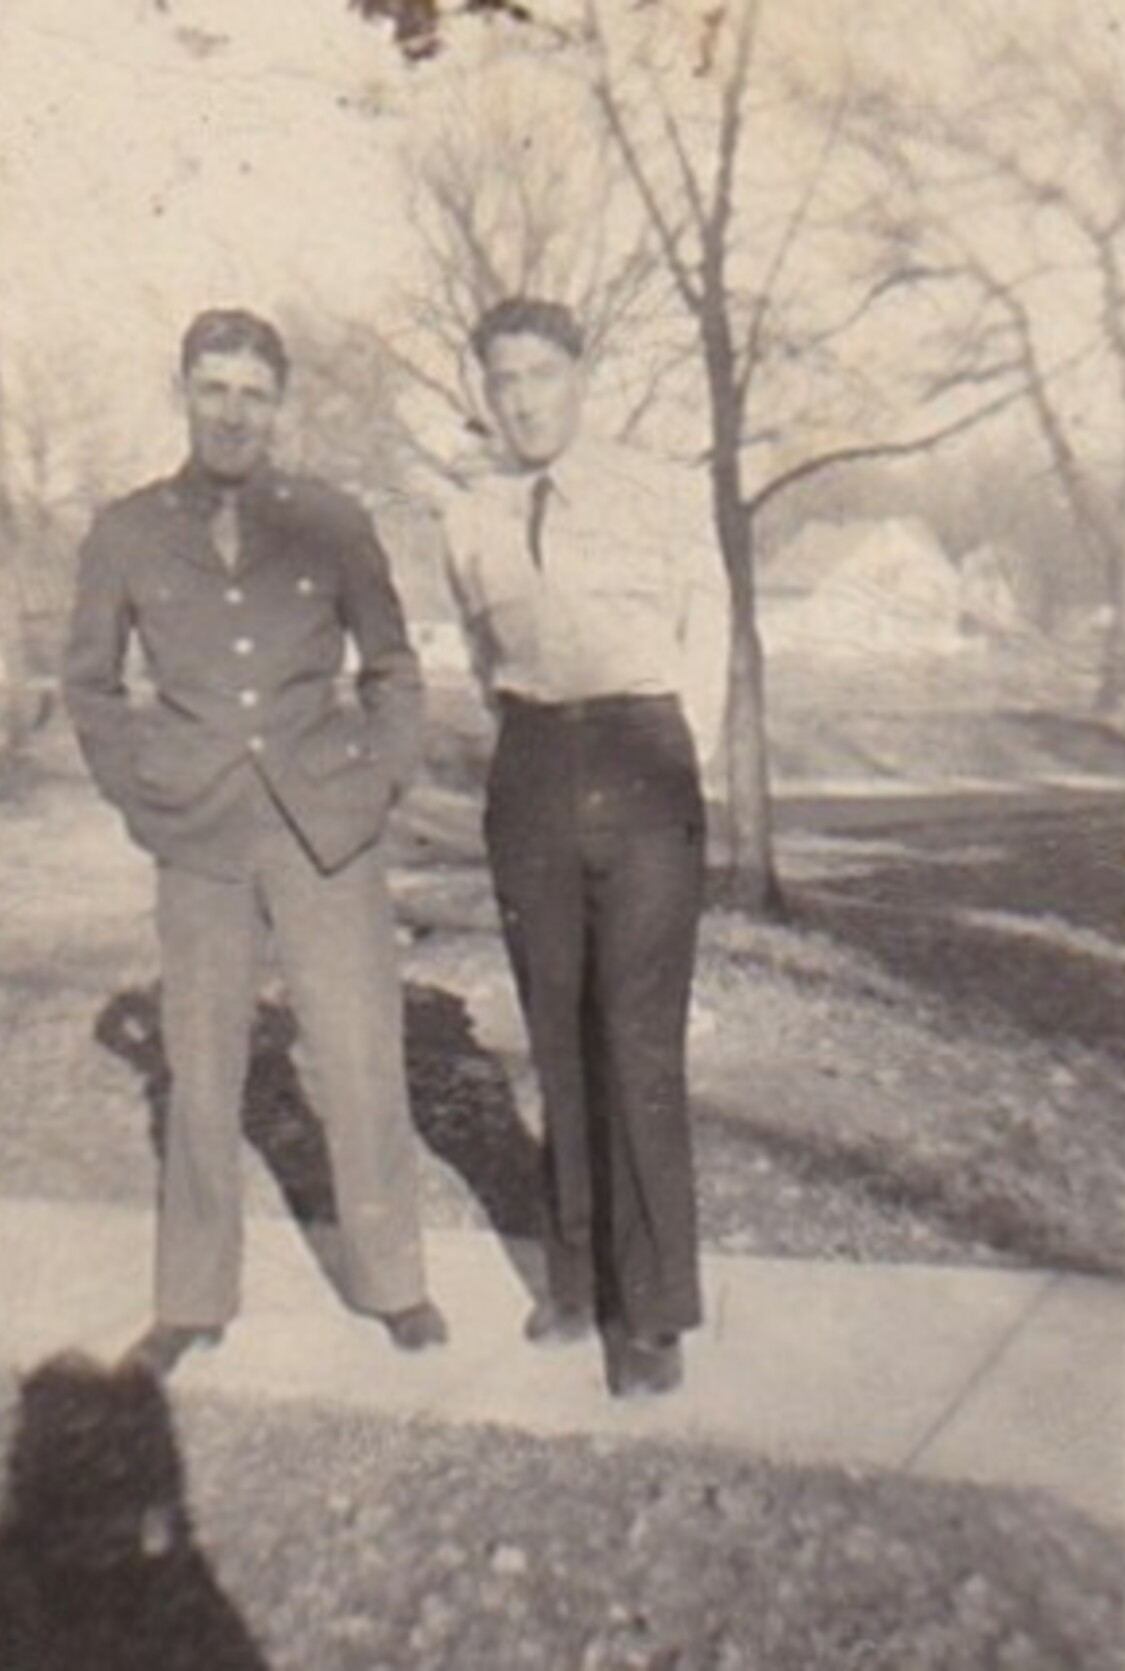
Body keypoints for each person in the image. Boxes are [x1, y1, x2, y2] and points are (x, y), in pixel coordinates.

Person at [63, 307, 447, 1375]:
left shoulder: (330, 519)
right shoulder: (125, 530)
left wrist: (379, 781)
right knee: (199, 1065)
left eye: (253, 392)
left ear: (280, 405)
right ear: (184, 393)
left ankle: (394, 1283)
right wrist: (139, 795)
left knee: (364, 1055)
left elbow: (394, 666)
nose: (233, 412)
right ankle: (192, 1300)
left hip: (328, 826)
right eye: (214, 388)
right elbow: (88, 686)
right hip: (199, 833)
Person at [442, 297, 728, 1397]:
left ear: (580, 376)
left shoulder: (660, 491)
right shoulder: (469, 518)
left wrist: (671, 760)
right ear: (487, 392)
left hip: (644, 756)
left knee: (639, 1045)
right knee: (555, 1036)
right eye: (502, 379)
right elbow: (478, 651)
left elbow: (707, 633)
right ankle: (575, 1279)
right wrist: (531, 737)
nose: (522, 398)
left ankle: (651, 1314)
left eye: (541, 374)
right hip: (531, 768)